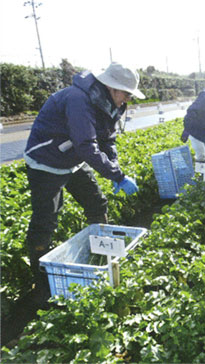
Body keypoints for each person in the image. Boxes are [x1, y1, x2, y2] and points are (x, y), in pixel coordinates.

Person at [23, 62, 144, 304]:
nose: (127, 99)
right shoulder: (79, 100)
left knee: (96, 203)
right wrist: (117, 176)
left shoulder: (111, 104)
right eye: (126, 93)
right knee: (46, 219)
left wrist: (115, 168)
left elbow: (107, 140)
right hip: (46, 161)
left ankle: (101, 256)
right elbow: (86, 145)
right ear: (112, 87)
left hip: (72, 160)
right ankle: (41, 280)